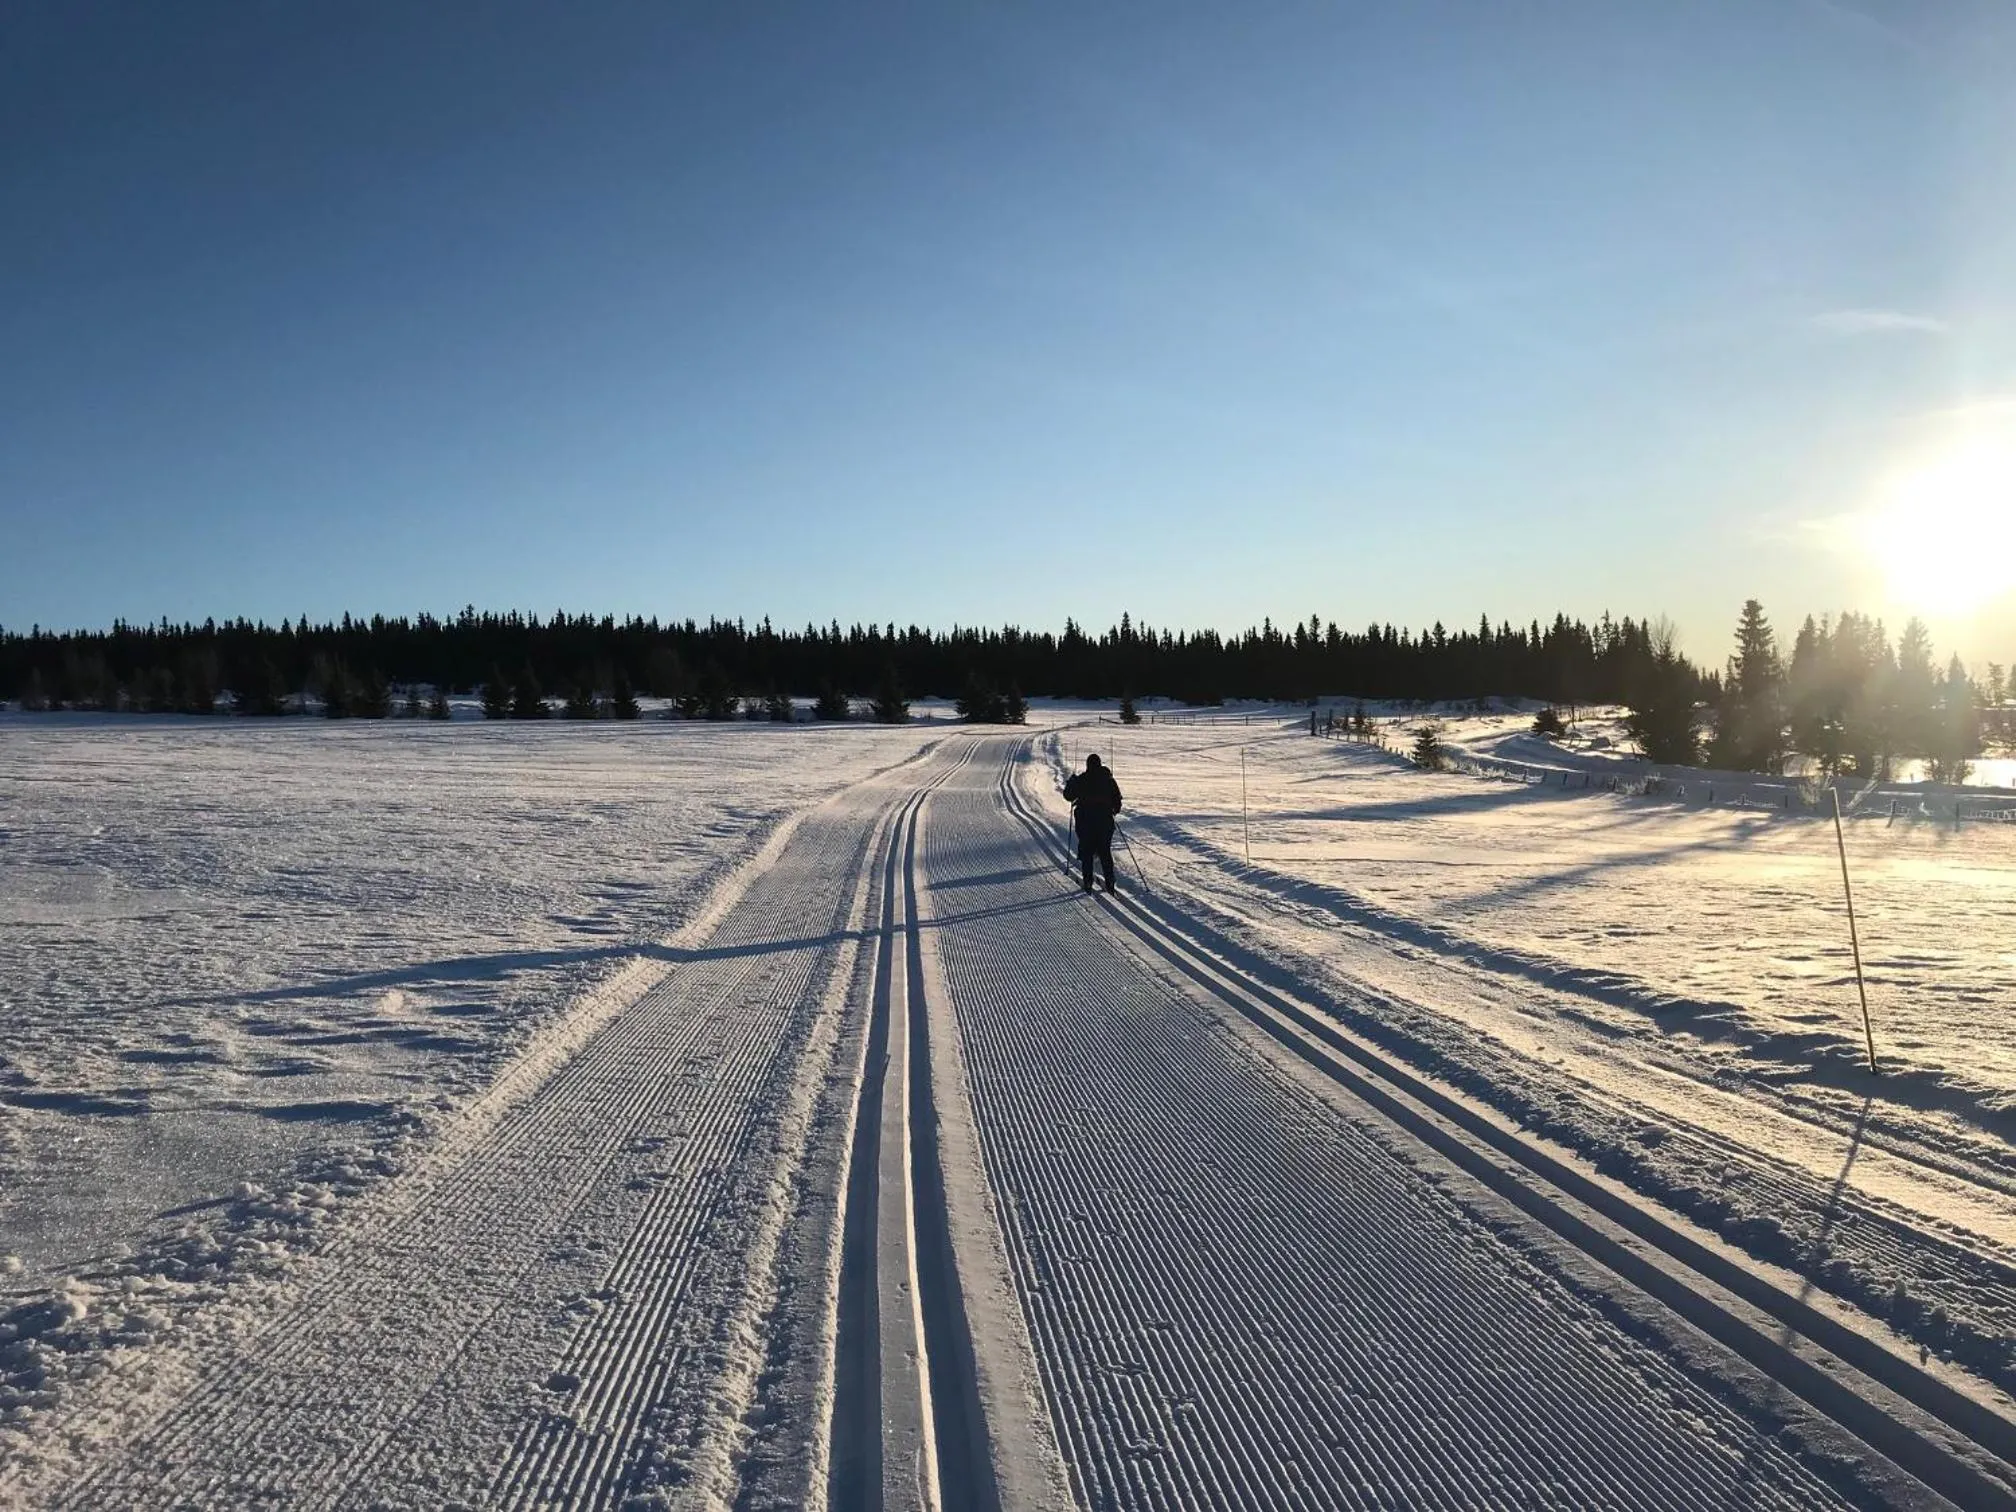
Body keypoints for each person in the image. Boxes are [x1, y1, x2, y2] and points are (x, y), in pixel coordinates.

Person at [1062, 752, 1124, 893]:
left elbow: (1068, 796)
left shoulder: (1082, 779)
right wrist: (1112, 811)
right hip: (1105, 822)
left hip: (1085, 822)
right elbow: (1118, 802)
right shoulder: (1109, 780)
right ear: (1100, 764)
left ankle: (1088, 881)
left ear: (1088, 765)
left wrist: (1071, 783)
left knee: (1087, 852)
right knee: (1105, 852)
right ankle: (1110, 882)